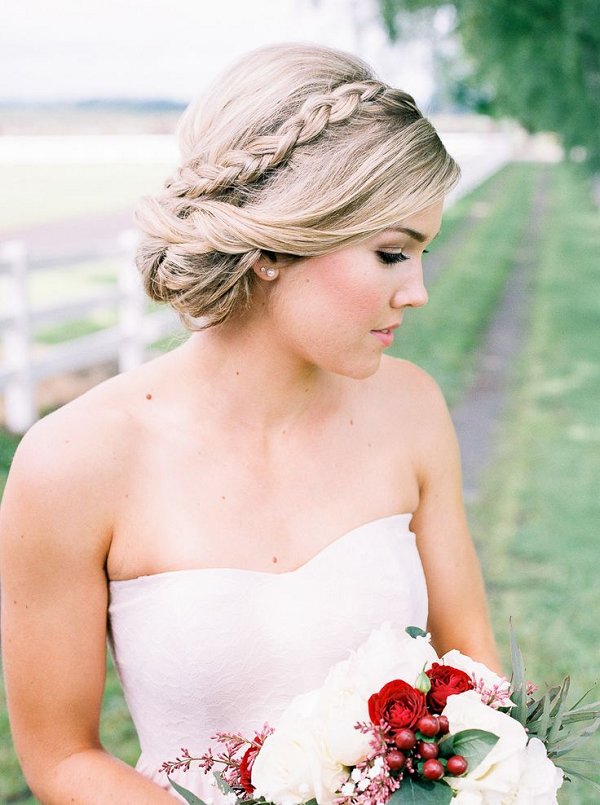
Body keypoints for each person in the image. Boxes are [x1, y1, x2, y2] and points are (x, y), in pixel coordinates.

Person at [0, 43, 500, 803]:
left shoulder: (411, 408)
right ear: (276, 244)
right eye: (393, 253)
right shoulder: (72, 461)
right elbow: (61, 756)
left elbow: (472, 670)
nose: (418, 292)